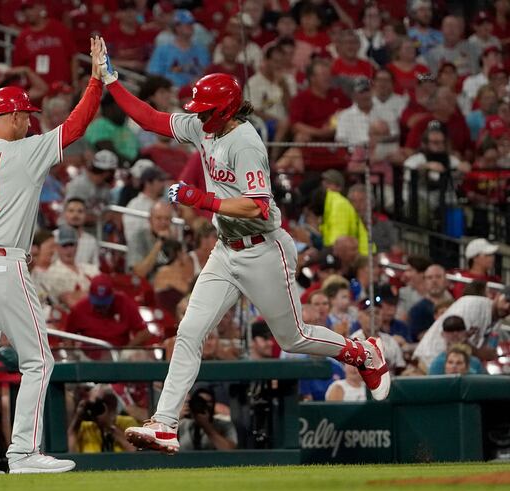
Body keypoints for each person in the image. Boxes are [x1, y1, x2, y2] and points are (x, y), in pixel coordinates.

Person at [96, 40, 390, 454]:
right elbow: (151, 120)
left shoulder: (246, 141)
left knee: (293, 339)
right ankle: (164, 423)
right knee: (189, 332)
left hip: (263, 249)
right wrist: (111, 81)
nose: (197, 114)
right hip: (225, 249)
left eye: (205, 109)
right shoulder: (204, 124)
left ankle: (363, 351)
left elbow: (257, 206)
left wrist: (203, 199)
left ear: (226, 109)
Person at [0, 37, 106, 475]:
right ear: (12, 116)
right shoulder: (24, 152)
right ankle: (23, 454)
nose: (32, 123)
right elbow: (75, 126)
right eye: (28, 116)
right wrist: (95, 82)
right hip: (3, 264)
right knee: (39, 359)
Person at [414, 289, 510, 371]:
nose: (507, 307)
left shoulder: (497, 320)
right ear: (497, 295)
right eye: (507, 300)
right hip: (430, 359)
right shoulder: (473, 305)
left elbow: (490, 354)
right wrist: (478, 352)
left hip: (453, 366)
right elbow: (456, 342)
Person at [64, 274, 152, 359]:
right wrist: (71, 355)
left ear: (112, 295)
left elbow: (144, 333)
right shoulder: (79, 309)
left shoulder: (123, 302)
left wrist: (126, 350)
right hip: (88, 359)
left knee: (139, 355)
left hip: (119, 356)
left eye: (104, 305)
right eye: (97, 305)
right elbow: (67, 336)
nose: (101, 309)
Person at [40, 225, 99, 308]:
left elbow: (105, 293)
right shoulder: (53, 271)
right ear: (58, 247)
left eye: (71, 245)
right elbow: (70, 302)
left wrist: (78, 294)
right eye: (64, 245)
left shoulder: (90, 268)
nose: (68, 250)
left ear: (77, 246)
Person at [68, 385, 138, 453]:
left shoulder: (127, 422)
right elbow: (70, 450)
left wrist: (109, 426)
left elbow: (135, 450)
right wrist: (78, 417)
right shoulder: (84, 427)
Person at [122, 167, 167, 246]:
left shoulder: (165, 204)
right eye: (160, 181)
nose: (163, 184)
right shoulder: (135, 205)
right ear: (148, 183)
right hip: (143, 251)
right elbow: (132, 235)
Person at [61, 198, 98, 265]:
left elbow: (95, 267)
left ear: (86, 215)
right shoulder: (54, 237)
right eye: (71, 211)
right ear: (64, 214)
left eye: (80, 211)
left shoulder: (91, 241)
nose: (75, 215)